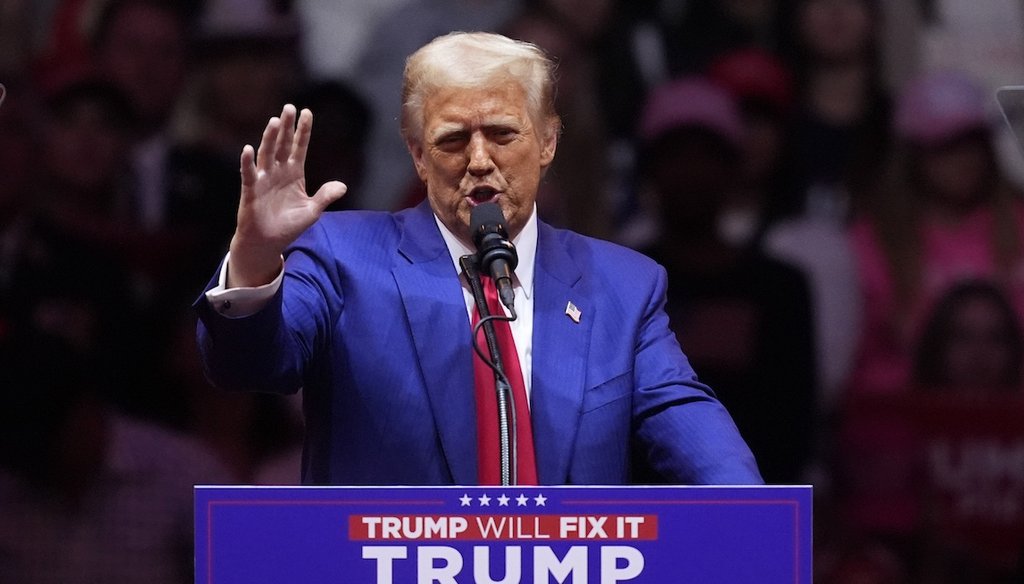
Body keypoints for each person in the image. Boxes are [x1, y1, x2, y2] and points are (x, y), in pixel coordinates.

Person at [195, 31, 762, 486]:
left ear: (548, 142)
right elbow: (247, 366)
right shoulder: (343, 256)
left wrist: (754, 524)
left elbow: (695, 436)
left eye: (502, 133)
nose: (480, 160)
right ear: (417, 154)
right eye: (451, 140)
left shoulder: (623, 286)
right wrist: (254, 258)